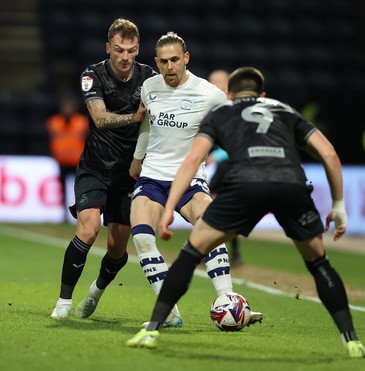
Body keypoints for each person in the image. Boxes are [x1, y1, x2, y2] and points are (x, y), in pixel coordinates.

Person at [127, 66, 365, 359]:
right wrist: (339, 205)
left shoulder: (223, 112)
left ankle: (153, 328)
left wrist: (169, 209)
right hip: (290, 183)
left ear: (229, 94)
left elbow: (193, 159)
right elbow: (329, 154)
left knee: (193, 251)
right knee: (319, 263)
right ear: (263, 94)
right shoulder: (284, 110)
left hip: (246, 184)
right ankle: (352, 341)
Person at [128, 33, 263, 328]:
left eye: (175, 59)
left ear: (186, 58)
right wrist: (138, 159)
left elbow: (235, 125)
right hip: (152, 176)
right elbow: (147, 124)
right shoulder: (149, 87)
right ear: (156, 63)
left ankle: (228, 299)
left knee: (210, 228)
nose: (169, 67)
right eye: (163, 62)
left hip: (189, 180)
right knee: (141, 238)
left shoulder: (209, 93)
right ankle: (170, 314)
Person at [50, 18, 156, 320]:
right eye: (119, 50)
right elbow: (99, 118)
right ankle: (63, 302)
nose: (125, 57)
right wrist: (133, 119)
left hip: (128, 173)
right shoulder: (92, 75)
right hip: (94, 167)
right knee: (88, 228)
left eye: (131, 50)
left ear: (138, 50)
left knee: (117, 247)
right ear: (108, 48)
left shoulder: (149, 78)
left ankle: (96, 290)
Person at [207, 69, 242, 267]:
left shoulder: (233, 108)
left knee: (216, 203)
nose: (214, 85)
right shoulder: (213, 106)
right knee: (217, 205)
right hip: (226, 163)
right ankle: (228, 252)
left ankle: (217, 251)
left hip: (233, 163)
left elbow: (238, 142)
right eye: (212, 82)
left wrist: (215, 155)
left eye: (218, 81)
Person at [46, 93, 88, 221]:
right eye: (65, 107)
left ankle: (80, 214)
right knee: (62, 189)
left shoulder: (82, 121)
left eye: (70, 107)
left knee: (80, 190)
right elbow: (50, 141)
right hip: (62, 161)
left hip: (77, 161)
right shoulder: (54, 122)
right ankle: (64, 215)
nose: (67, 109)